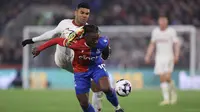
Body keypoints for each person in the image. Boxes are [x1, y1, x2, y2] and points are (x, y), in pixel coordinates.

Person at [21, 2, 107, 111]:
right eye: (82, 12)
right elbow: (52, 34)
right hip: (60, 60)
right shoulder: (64, 24)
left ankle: (96, 107)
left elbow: (97, 46)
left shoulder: (89, 31)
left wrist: (105, 50)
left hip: (75, 63)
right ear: (75, 12)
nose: (84, 15)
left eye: (87, 14)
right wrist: (32, 40)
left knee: (95, 87)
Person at [32, 25, 124, 112]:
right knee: (83, 103)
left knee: (106, 88)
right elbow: (56, 40)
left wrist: (106, 54)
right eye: (93, 39)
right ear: (85, 37)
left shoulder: (102, 41)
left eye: (97, 38)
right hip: (80, 71)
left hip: (96, 67)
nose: (96, 41)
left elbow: (105, 50)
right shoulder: (75, 43)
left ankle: (118, 108)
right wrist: (39, 48)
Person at [145, 16, 180, 105]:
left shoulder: (171, 31)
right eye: (161, 21)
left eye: (164, 21)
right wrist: (148, 55)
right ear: (159, 22)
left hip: (169, 57)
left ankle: (173, 93)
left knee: (167, 78)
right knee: (162, 78)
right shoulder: (155, 32)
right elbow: (152, 44)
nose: (162, 23)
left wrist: (176, 55)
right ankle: (166, 99)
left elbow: (176, 44)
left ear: (167, 22)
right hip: (159, 58)